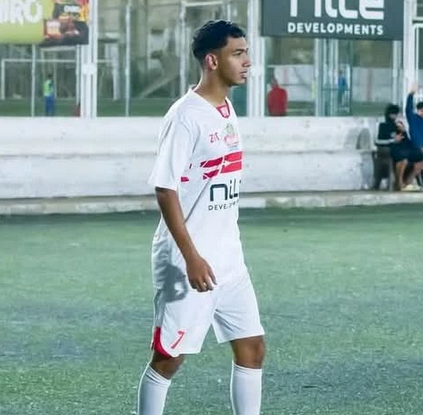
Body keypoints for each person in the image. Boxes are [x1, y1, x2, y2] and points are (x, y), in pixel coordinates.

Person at [138, 20, 265, 415]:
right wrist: (192, 257)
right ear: (212, 61)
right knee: (168, 358)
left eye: (246, 52)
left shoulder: (225, 108)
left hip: (229, 259)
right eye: (237, 54)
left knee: (252, 347)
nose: (247, 62)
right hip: (188, 260)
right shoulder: (185, 116)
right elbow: (165, 188)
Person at [376, 103, 423, 191]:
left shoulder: (398, 125)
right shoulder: (383, 126)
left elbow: (407, 141)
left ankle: (407, 182)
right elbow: (378, 141)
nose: (394, 116)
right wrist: (393, 140)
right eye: (392, 114)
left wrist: (404, 131)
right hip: (393, 150)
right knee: (403, 159)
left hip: (406, 149)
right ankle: (400, 184)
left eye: (395, 114)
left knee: (420, 158)